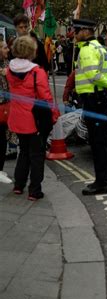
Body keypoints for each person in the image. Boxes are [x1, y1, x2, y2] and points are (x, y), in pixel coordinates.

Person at [6, 36, 59, 200]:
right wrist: (54, 114)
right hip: (34, 119)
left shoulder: (9, 70)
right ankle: (35, 190)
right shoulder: (37, 72)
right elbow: (45, 97)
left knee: (23, 152)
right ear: (31, 51)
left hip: (17, 117)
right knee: (37, 155)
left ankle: (18, 185)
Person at [73, 19, 107, 195]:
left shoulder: (87, 49)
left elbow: (94, 74)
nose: (74, 34)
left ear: (86, 31)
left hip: (94, 99)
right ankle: (103, 180)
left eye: (77, 31)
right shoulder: (99, 46)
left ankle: (102, 183)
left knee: (98, 143)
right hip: (99, 98)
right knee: (101, 142)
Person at [0, 40, 12, 184]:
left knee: (3, 139)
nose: (7, 50)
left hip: (5, 107)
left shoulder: (7, 64)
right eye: (4, 48)